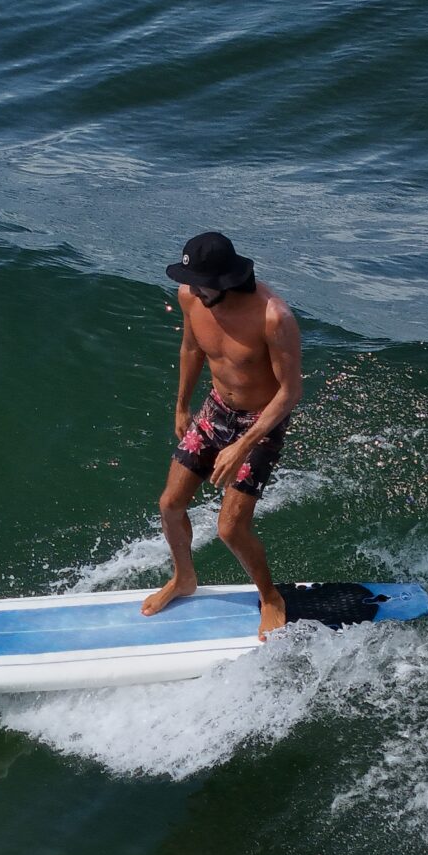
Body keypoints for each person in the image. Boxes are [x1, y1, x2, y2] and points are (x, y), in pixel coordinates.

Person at [141, 231, 303, 639]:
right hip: (215, 410)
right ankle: (184, 578)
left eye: (200, 282)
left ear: (226, 281)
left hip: (260, 422)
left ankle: (270, 597)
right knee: (170, 504)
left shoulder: (273, 317)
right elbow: (192, 348)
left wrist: (242, 446)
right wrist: (181, 405)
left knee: (230, 528)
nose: (192, 288)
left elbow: (289, 393)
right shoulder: (191, 297)